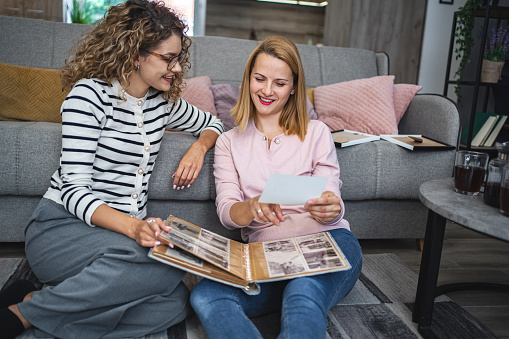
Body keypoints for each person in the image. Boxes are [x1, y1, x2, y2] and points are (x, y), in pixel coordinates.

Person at [0, 1, 223, 338]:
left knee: (175, 302)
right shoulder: (88, 96)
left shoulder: (163, 103)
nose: (176, 68)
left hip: (118, 239)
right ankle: (23, 315)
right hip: (61, 229)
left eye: (178, 59)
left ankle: (42, 305)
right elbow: (74, 192)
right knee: (163, 271)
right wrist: (135, 228)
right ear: (136, 53)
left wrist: (198, 147)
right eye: (167, 58)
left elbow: (214, 123)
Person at [190, 36, 362, 338]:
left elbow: (332, 195)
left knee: (303, 290)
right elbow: (227, 211)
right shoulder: (229, 142)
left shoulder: (317, 133)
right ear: (248, 79)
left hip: (327, 243)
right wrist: (251, 207)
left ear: (294, 87)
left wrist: (332, 205)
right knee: (206, 295)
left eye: (280, 83)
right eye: (260, 79)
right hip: (265, 258)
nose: (267, 91)